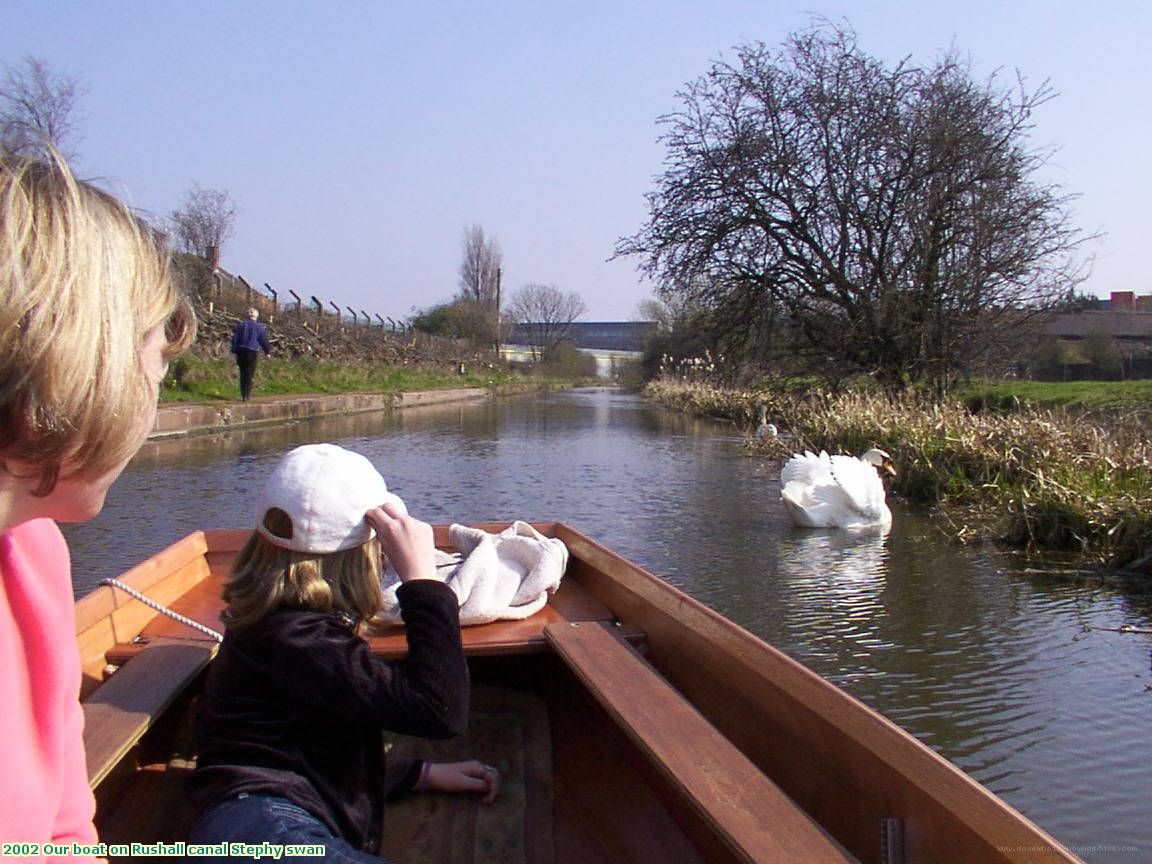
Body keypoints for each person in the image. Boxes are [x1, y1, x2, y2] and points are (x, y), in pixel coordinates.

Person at [0, 152, 196, 858]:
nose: (155, 400)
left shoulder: (34, 546)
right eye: (156, 364)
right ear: (83, 362)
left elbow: (60, 830)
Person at [186, 444, 499, 863]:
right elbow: (442, 710)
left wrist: (418, 775)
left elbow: (309, 745)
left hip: (254, 821)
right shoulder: (297, 639)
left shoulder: (278, 628)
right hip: (266, 828)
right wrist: (423, 582)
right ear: (364, 557)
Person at [230, 307, 270, 401]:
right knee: (249, 373)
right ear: (256, 316)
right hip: (252, 351)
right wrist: (267, 352)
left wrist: (234, 349)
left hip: (241, 350)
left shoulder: (241, 325)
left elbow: (235, 338)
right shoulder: (259, 327)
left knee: (242, 372)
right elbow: (264, 340)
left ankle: (243, 393)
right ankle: (246, 395)